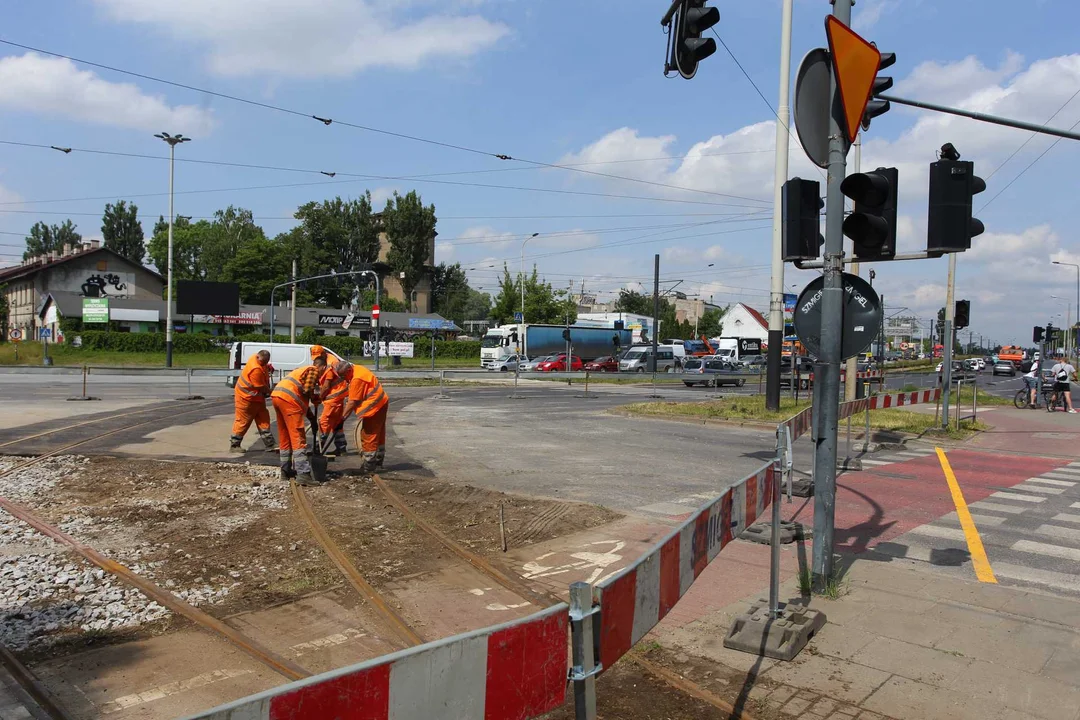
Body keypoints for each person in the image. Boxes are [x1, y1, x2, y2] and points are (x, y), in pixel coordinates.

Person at [270, 346, 328, 483]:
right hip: (289, 402)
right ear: (322, 367)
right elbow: (307, 390)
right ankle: (303, 474)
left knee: (285, 436)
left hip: (278, 398)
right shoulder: (313, 371)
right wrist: (315, 398)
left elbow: (301, 399)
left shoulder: (299, 371)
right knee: (298, 437)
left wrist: (312, 419)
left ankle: (285, 471)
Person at [342, 362, 389, 474]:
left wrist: (342, 418)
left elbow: (352, 402)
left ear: (348, 371)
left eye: (343, 376)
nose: (343, 379)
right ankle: (378, 460)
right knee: (379, 433)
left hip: (374, 407)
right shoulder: (357, 369)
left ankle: (369, 466)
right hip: (381, 402)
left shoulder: (357, 379)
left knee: (369, 434)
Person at [230, 350, 276, 452]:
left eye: (266, 363)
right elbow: (259, 386)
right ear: (259, 358)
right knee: (243, 421)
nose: (264, 364)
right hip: (246, 399)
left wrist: (267, 367)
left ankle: (270, 444)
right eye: (263, 363)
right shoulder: (255, 369)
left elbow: (263, 370)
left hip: (256, 399)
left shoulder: (256, 358)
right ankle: (234, 445)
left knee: (263, 419)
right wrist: (271, 392)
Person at [318, 359, 354, 456]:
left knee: (324, 423)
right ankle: (341, 448)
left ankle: (318, 448)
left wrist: (319, 397)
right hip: (338, 400)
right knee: (337, 424)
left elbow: (325, 387)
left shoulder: (329, 370)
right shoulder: (334, 365)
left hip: (332, 402)